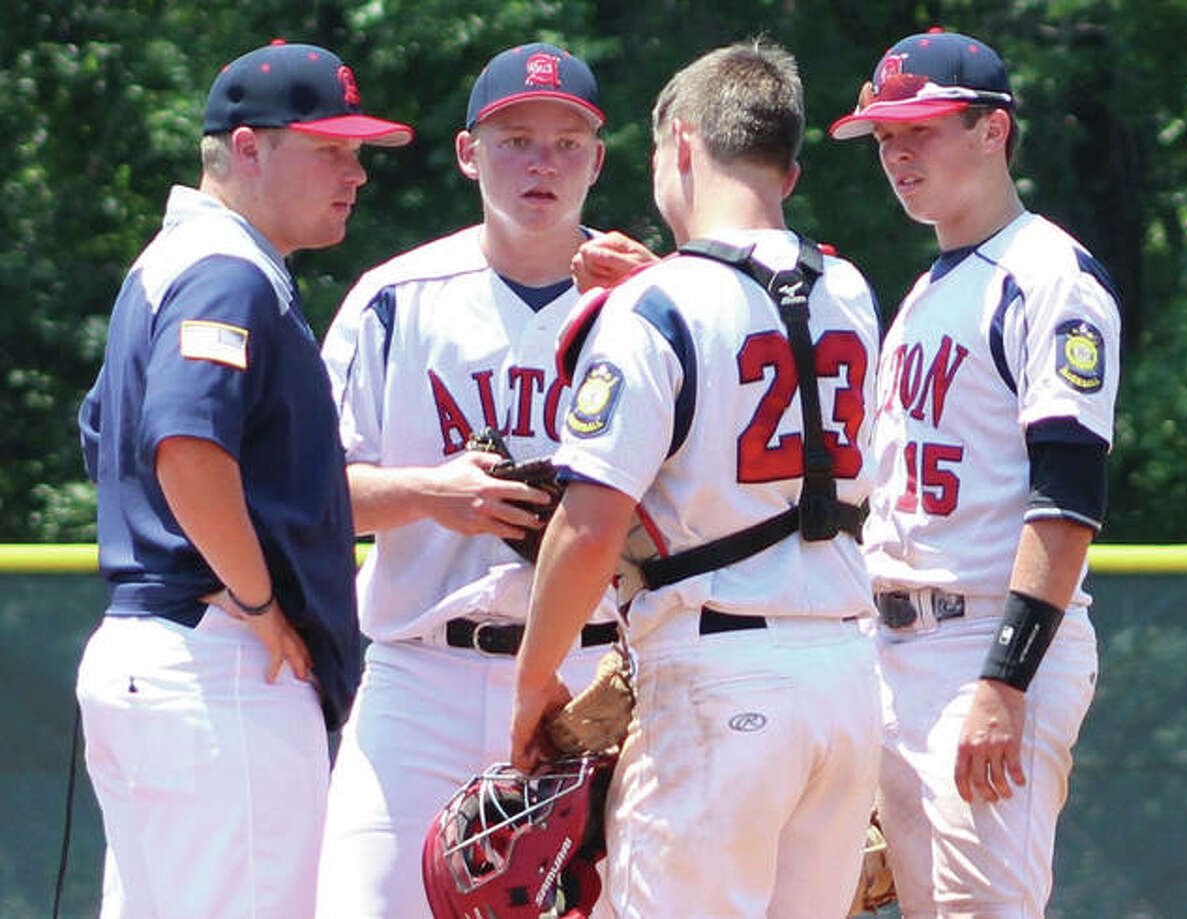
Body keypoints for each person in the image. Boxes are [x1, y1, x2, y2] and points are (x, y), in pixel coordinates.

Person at [510, 39, 884, 919]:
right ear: (787, 170)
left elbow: (588, 525)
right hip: (844, 676)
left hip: (718, 678)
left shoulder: (655, 304)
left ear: (680, 143)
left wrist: (535, 684)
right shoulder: (854, 288)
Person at [73, 40, 413, 919]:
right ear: (250, 147)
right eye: (331, 149)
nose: (356, 173)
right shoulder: (227, 271)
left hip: (167, 655)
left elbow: (102, 433)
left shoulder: (173, 264)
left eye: (358, 152)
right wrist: (260, 604)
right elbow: (185, 445)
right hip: (218, 660)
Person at [315, 42, 620, 919]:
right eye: (516, 137)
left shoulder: (649, 299)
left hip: (591, 683)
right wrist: (431, 493)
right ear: (468, 152)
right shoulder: (397, 299)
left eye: (568, 143)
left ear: (598, 161)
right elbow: (308, 495)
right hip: (422, 681)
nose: (542, 162)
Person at [829, 29, 1121, 919]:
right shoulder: (925, 293)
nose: (898, 153)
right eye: (884, 136)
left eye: (921, 129)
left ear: (994, 130)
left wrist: (1005, 680)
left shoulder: (1050, 277)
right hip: (894, 652)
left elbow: (1067, 502)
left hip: (987, 646)